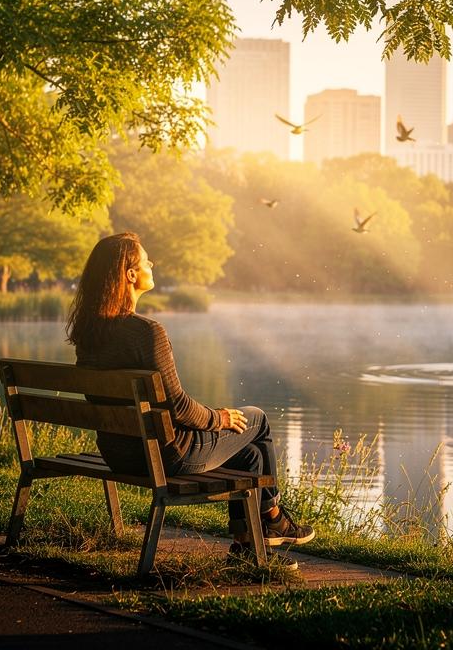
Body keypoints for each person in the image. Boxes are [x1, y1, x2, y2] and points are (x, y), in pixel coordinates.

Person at [66, 232, 314, 561]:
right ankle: (273, 518)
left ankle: (247, 548)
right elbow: (177, 406)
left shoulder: (89, 333)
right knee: (256, 419)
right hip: (167, 456)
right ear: (130, 274)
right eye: (146, 261)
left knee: (251, 456)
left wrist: (213, 421)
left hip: (120, 452)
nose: (152, 265)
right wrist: (219, 418)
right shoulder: (146, 333)